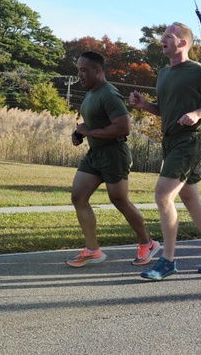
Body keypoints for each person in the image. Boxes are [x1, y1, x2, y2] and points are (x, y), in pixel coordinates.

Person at [129, 22, 201, 280]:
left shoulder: (198, 71)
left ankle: (167, 261)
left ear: (183, 43)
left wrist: (198, 113)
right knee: (189, 198)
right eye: (162, 36)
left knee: (163, 195)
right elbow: (166, 110)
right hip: (170, 140)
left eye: (168, 36)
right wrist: (145, 105)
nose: (162, 39)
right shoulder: (163, 73)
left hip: (189, 140)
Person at [67, 51, 159, 268]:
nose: (79, 75)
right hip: (95, 155)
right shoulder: (91, 94)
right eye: (78, 70)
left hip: (113, 154)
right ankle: (92, 250)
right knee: (78, 196)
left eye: (83, 70)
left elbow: (123, 127)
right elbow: (94, 125)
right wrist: (80, 134)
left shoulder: (109, 93)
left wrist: (90, 132)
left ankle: (148, 243)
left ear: (97, 70)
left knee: (119, 200)